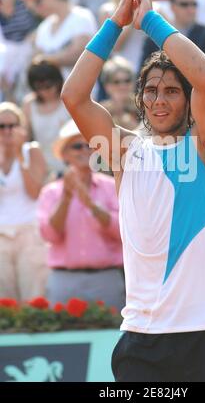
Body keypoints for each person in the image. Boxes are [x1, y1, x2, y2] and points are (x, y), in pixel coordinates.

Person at [61, 0, 205, 382]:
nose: (159, 100)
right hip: (141, 341)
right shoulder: (123, 152)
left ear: (188, 101)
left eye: (172, 91)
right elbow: (73, 96)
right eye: (151, 91)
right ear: (141, 98)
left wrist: (149, 21)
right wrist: (115, 22)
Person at [38, 119, 125, 309]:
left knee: (113, 336)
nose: (84, 150)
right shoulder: (51, 192)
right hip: (64, 280)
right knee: (60, 338)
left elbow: (123, 232)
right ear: (64, 154)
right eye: (77, 146)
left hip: (106, 279)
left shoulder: (112, 186)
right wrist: (66, 199)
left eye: (89, 146)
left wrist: (92, 206)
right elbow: (50, 235)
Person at [0, 102, 48, 300]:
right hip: (2, 234)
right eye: (1, 126)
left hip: (30, 231)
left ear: (22, 127)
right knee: (4, 300)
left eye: (12, 125)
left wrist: (19, 155)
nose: (7, 131)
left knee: (34, 295)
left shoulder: (32, 151)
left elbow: (35, 191)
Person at [21, 0, 97, 81]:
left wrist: (45, 60)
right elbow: (35, 59)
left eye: (37, 0)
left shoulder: (82, 16)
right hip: (50, 93)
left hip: (79, 92)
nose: (35, 7)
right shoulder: (44, 26)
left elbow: (78, 54)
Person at [22, 58, 70, 176]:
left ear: (58, 81)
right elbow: (24, 138)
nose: (44, 91)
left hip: (70, 166)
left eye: (48, 86)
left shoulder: (69, 101)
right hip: (44, 170)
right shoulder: (29, 104)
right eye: (39, 87)